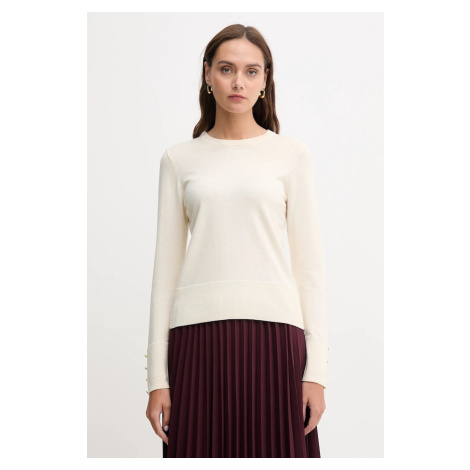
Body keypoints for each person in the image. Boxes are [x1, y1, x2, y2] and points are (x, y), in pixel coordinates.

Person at [145, 23, 329, 458]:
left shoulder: (291, 155)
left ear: (265, 80)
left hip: (277, 342)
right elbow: (165, 272)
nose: (238, 82)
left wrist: (316, 372)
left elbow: (309, 270)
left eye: (251, 71)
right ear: (208, 75)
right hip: (197, 342)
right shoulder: (179, 159)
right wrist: (157, 379)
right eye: (226, 69)